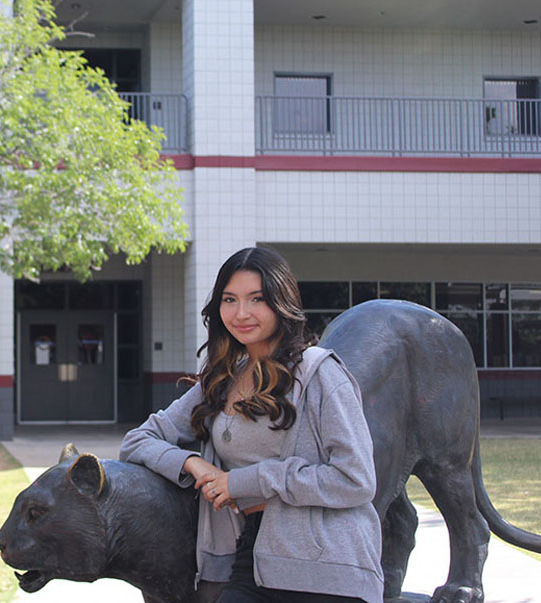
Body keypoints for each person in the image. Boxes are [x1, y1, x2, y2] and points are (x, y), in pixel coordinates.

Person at [120, 247, 383, 603]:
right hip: (251, 557)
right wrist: (193, 465)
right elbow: (138, 440)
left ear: (281, 303)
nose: (241, 313)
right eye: (229, 300)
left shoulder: (320, 373)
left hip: (326, 564)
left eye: (256, 299)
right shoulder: (221, 381)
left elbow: (356, 480)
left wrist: (244, 481)